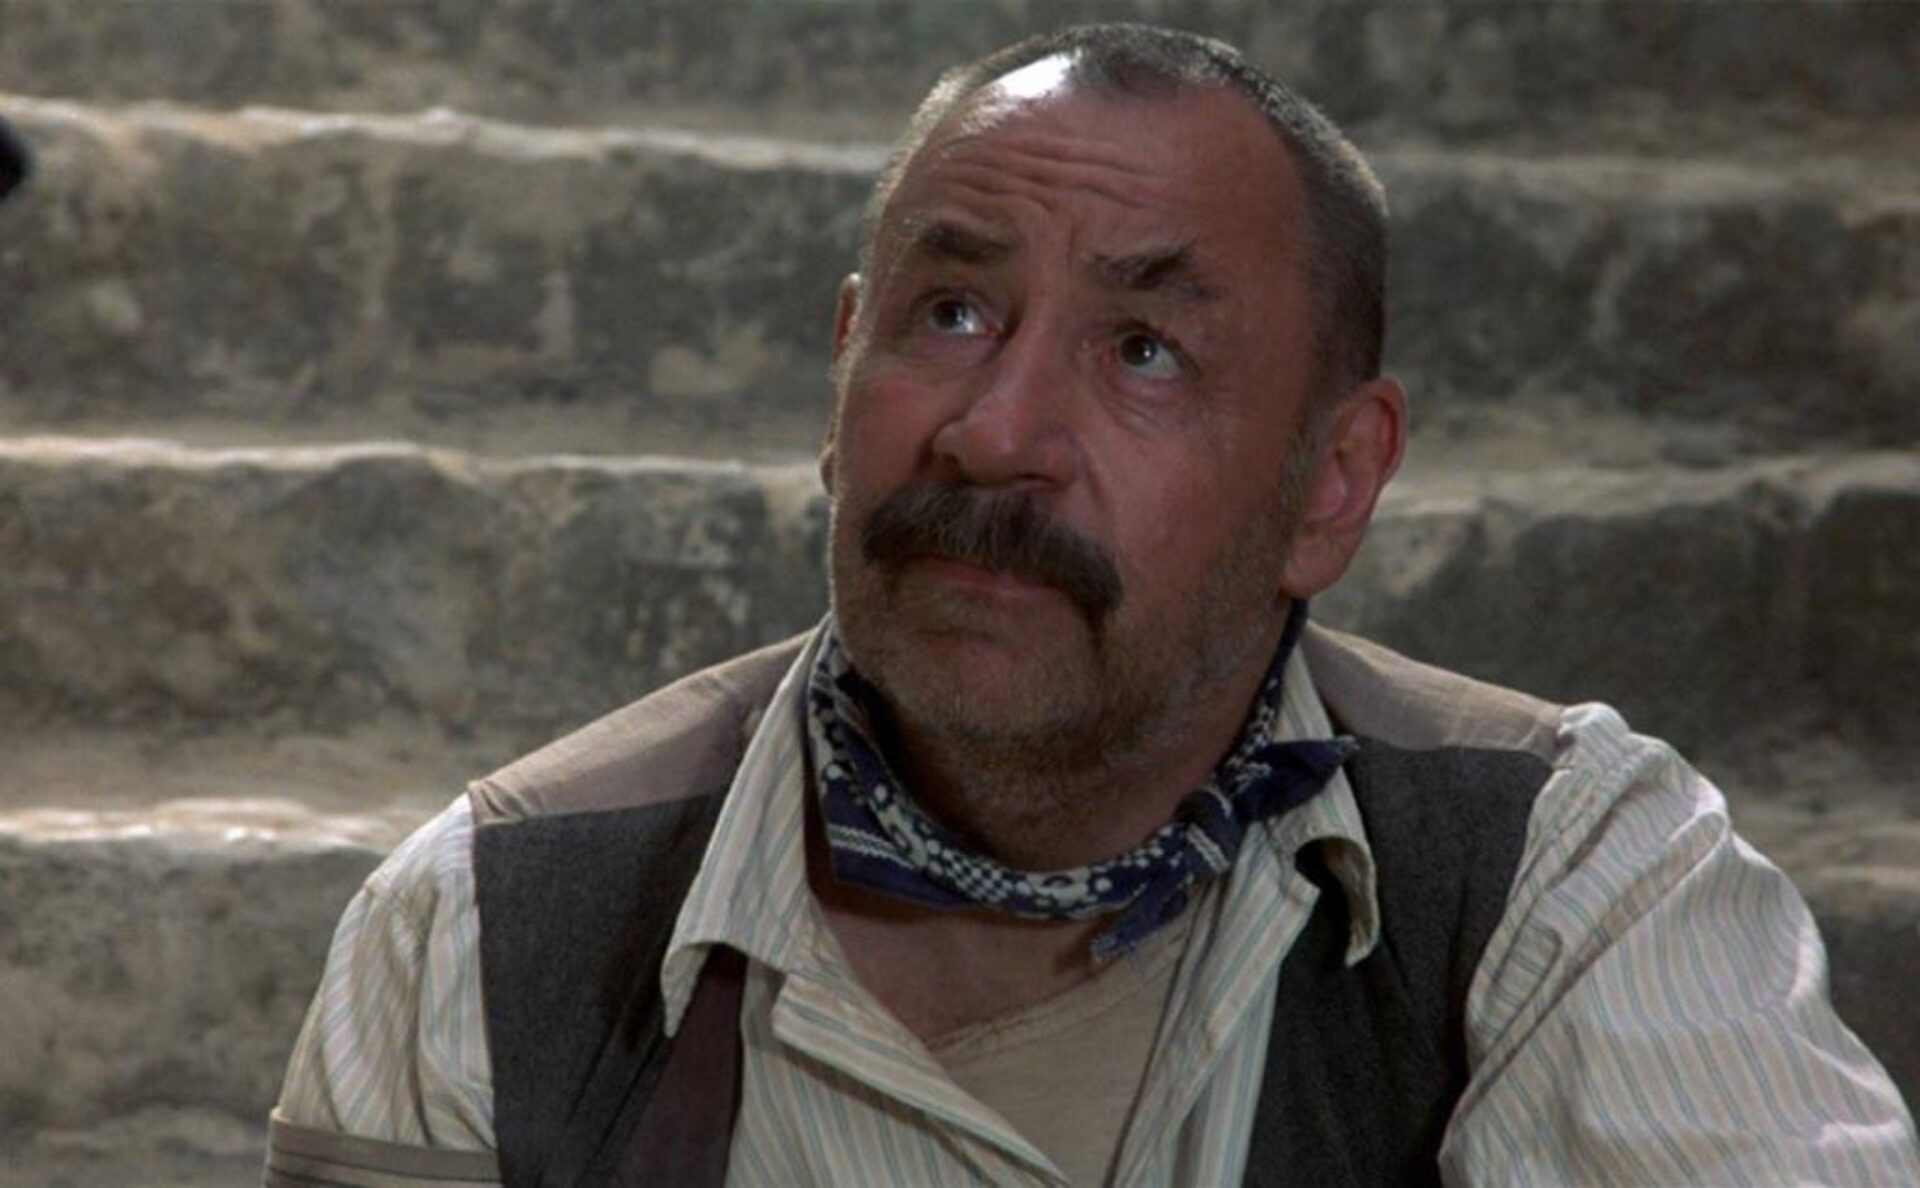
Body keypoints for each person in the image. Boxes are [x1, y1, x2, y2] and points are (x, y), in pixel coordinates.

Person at [265, 24, 1918, 1187]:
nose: (995, 434)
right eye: (950, 313)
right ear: (841, 367)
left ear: (1334, 482)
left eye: (1144, 351)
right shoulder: (487, 933)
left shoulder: (1567, 889)